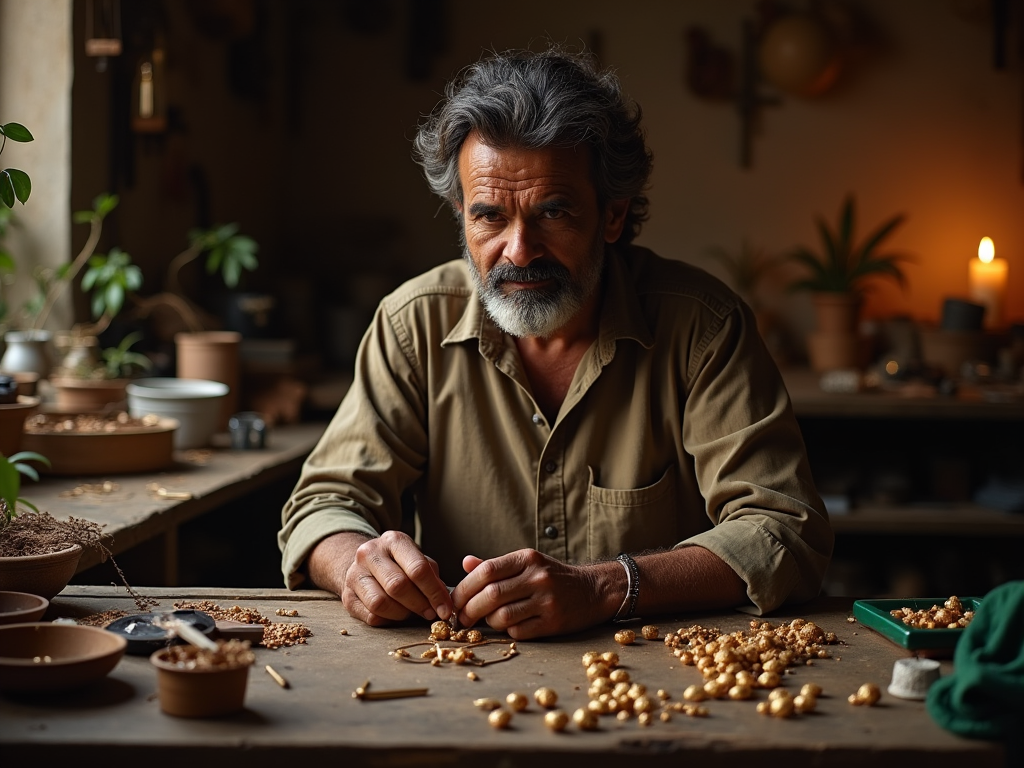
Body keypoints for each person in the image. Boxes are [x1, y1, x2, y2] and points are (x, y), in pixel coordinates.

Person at [279, 46, 833, 640]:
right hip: (456, 676)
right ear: (461, 215)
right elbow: (324, 506)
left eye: (554, 212)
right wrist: (357, 564)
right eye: (489, 216)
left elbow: (782, 528)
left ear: (613, 215)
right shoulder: (411, 323)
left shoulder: (703, 326)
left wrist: (605, 587)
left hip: (662, 676)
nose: (519, 251)